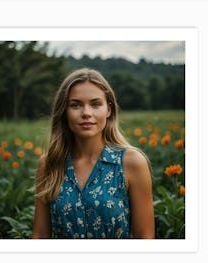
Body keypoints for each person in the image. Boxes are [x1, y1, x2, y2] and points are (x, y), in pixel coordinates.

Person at [31, 68, 154, 239]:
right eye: (75, 105)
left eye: (95, 104)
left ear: (108, 110)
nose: (86, 113)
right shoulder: (49, 164)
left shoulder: (132, 163)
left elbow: (146, 239)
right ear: (64, 111)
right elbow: (40, 235)